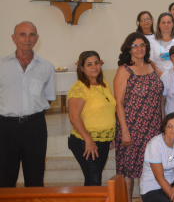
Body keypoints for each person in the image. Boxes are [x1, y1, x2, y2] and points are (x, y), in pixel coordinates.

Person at [0, 22, 55, 188]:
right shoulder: (2, 66)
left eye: (32, 35)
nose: (27, 39)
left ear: (37, 38)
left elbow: (49, 98)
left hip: (35, 127)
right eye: (22, 34)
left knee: (35, 177)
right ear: (13, 38)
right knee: (5, 178)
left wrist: (32, 114)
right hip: (6, 127)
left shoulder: (46, 67)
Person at [114, 32, 163, 202]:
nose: (139, 48)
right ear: (129, 49)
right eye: (135, 45)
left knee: (148, 169)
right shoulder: (124, 70)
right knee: (129, 171)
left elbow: (160, 96)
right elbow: (118, 103)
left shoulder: (151, 65)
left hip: (153, 127)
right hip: (132, 127)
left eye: (142, 45)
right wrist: (125, 131)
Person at [68, 51, 116, 186]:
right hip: (85, 140)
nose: (94, 67)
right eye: (89, 64)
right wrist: (88, 140)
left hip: (103, 140)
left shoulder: (103, 84)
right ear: (82, 68)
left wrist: (110, 136)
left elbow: (107, 111)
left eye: (96, 63)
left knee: (95, 178)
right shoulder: (79, 87)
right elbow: (73, 117)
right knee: (93, 179)